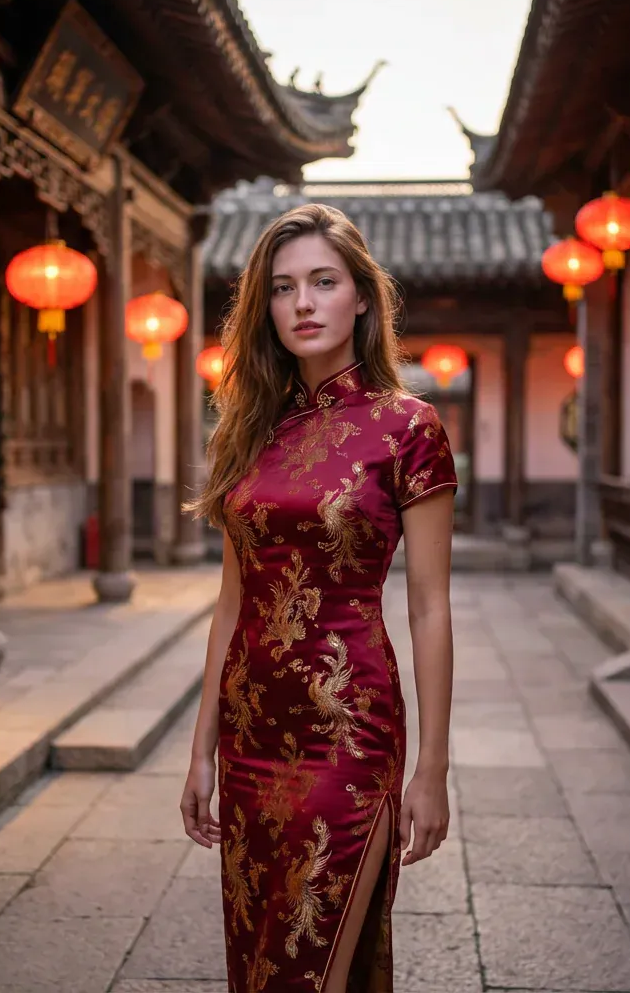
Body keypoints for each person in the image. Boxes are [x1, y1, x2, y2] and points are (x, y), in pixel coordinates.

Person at [181, 203, 456, 993]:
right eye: (283, 287)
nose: (302, 302)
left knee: (314, 962)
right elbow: (231, 604)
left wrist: (432, 770)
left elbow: (430, 607)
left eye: (323, 282)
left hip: (347, 730)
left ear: (362, 297)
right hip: (249, 734)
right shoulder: (250, 430)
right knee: (262, 962)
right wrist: (201, 751)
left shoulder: (407, 428)